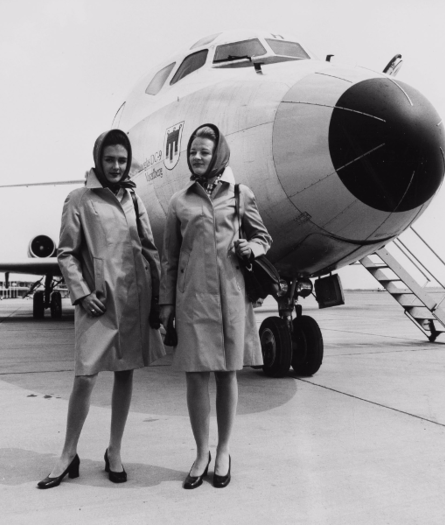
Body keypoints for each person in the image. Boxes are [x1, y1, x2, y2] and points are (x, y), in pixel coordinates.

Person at [37, 129, 165, 489]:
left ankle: (114, 451)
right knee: (85, 377)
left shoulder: (134, 200)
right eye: (110, 159)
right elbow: (66, 252)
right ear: (98, 159)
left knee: (126, 373)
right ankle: (68, 453)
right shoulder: (78, 198)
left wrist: (157, 299)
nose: (116, 166)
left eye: (122, 160)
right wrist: (80, 293)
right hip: (97, 302)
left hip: (133, 301)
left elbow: (149, 250)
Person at [159, 123, 272, 489]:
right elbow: (169, 259)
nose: (197, 157)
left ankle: (223, 451)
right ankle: (200, 452)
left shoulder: (241, 195)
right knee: (195, 377)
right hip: (192, 300)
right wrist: (165, 305)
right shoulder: (180, 201)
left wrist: (250, 248)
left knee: (227, 374)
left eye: (204, 152)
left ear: (218, 155)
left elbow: (263, 238)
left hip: (231, 297)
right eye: (193, 152)